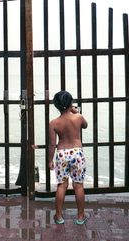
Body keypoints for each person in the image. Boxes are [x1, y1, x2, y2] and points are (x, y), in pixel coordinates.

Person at [48, 90, 89, 225]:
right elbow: (85, 125)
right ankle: (80, 216)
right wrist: (75, 112)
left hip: (62, 153)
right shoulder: (78, 117)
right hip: (77, 153)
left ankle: (59, 216)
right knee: (78, 186)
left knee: (62, 185)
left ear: (56, 105)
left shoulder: (54, 123)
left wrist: (50, 160)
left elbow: (52, 144)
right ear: (71, 103)